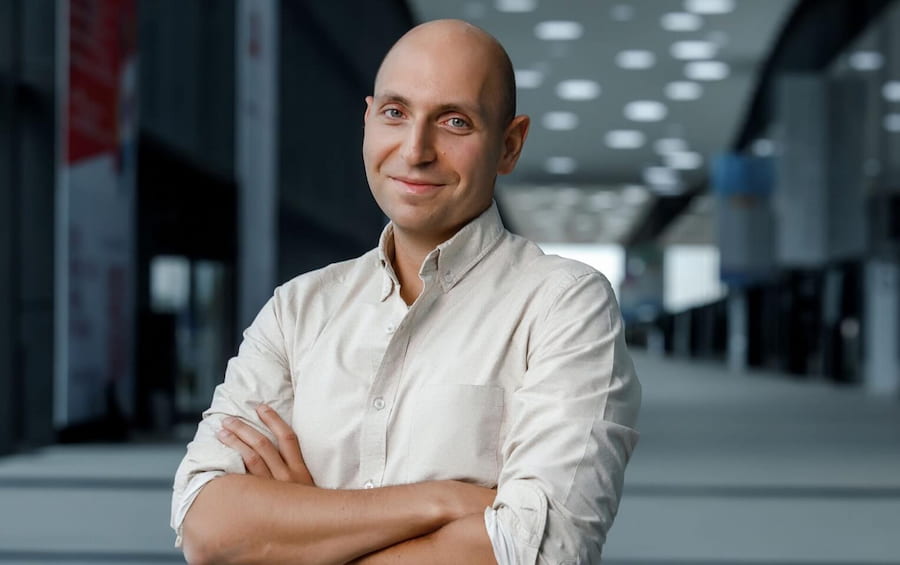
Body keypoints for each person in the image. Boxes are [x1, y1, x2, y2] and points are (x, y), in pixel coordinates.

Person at [172, 18, 641, 564]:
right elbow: (207, 526)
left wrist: (300, 532)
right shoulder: (297, 309)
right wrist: (443, 502)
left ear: (509, 146)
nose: (415, 150)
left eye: (455, 122)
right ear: (368, 120)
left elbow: (537, 551)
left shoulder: (565, 306)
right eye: (395, 113)